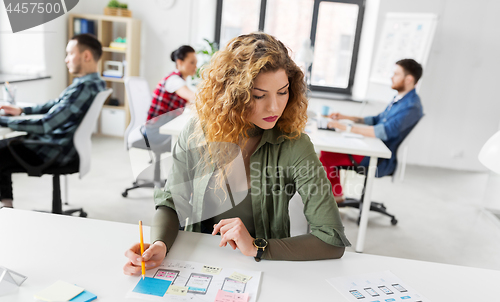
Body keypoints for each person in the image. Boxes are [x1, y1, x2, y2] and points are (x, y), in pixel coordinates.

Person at [123, 32, 351, 274]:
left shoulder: (295, 145)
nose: (274, 106)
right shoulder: (196, 131)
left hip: (264, 269)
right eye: (259, 96)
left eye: (283, 92)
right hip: (198, 261)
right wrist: (159, 244)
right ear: (232, 95)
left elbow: (331, 239)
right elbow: (173, 201)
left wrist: (258, 247)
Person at [0, 34, 106, 208]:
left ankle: (7, 207)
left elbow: (45, 125)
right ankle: (7, 205)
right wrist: (23, 110)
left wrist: (3, 121)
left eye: (70, 53)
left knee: (2, 148)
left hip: (54, 150)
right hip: (64, 147)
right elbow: (56, 104)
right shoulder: (94, 83)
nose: (66, 60)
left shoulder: (84, 87)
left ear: (86, 56)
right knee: (6, 145)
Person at [320, 59, 424, 202]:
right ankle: (336, 195)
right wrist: (345, 117)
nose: (391, 77)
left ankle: (334, 197)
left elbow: (383, 131)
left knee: (327, 155)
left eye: (396, 74)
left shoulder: (411, 106)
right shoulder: (400, 98)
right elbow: (376, 119)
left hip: (379, 156)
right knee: (328, 151)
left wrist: (346, 127)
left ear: (409, 79)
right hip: (372, 145)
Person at [146, 45, 197, 121]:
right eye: (192, 62)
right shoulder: (174, 80)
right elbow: (194, 97)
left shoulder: (178, 79)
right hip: (156, 128)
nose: (195, 66)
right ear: (179, 62)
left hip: (162, 125)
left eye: (196, 63)